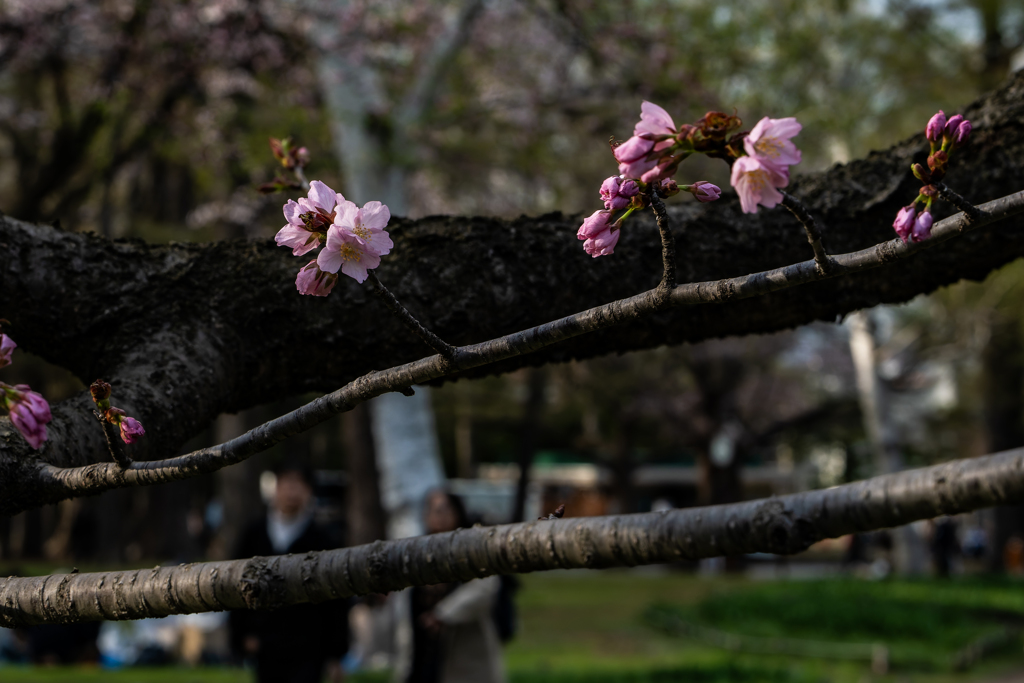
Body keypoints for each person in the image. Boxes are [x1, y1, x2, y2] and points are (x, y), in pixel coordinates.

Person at [229, 464, 349, 683]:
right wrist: (241, 634)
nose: (292, 491)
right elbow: (236, 583)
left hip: (310, 643)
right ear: (275, 488)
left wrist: (336, 653)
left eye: (298, 484)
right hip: (265, 642)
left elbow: (336, 599)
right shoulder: (254, 534)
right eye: (286, 483)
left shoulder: (323, 540)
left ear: (309, 491)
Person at [393, 490, 506, 683]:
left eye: (445, 509)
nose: (439, 515)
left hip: (464, 661)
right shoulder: (417, 554)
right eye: (433, 510)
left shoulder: (472, 548)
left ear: (457, 512)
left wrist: (444, 614)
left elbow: (485, 589)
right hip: (422, 657)